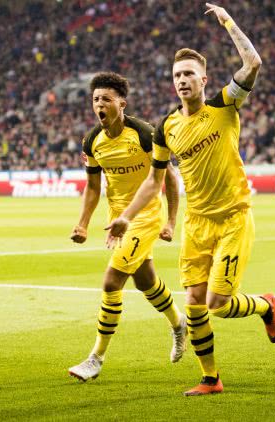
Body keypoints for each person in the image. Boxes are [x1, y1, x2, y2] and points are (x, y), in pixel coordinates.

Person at [104, 3, 275, 396]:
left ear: (204, 79)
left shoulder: (224, 104)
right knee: (195, 302)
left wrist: (227, 21)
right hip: (196, 222)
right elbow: (154, 180)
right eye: (176, 75)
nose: (182, 80)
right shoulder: (166, 127)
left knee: (218, 301)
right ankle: (210, 378)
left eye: (188, 74)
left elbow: (253, 62)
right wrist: (126, 217)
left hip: (233, 217)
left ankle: (265, 305)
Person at [68, 72, 186, 382]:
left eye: (106, 99)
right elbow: (93, 187)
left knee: (112, 282)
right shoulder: (92, 141)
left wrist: (171, 221)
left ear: (122, 103)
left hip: (145, 217)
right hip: (117, 218)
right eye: (95, 99)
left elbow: (169, 177)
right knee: (145, 281)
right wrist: (82, 224)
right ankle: (179, 323)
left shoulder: (145, 134)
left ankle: (96, 357)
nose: (99, 104)